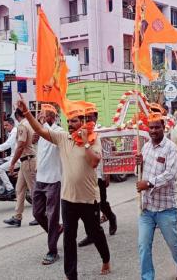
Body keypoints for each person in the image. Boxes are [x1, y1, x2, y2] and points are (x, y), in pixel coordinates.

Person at [15, 99, 111, 279]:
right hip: (68, 199)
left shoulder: (93, 139)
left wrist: (85, 142)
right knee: (69, 240)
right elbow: (40, 130)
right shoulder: (63, 138)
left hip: (88, 199)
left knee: (94, 232)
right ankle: (70, 275)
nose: (70, 124)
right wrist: (27, 112)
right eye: (69, 121)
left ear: (83, 121)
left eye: (74, 120)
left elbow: (94, 161)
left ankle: (106, 258)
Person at [136, 112, 177, 280]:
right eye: (151, 127)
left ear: (163, 128)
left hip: (166, 207)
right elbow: (140, 174)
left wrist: (149, 183)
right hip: (147, 207)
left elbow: (171, 174)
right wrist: (139, 164)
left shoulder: (171, 148)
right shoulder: (145, 147)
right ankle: (147, 277)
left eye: (157, 127)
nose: (153, 130)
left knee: (173, 243)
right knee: (143, 246)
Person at [78, 104, 117, 247]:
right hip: (87, 175)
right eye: (86, 117)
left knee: (101, 203)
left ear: (96, 117)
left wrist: (108, 173)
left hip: (100, 174)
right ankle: (91, 234)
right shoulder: (82, 132)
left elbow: (110, 151)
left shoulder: (102, 132)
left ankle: (111, 217)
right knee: (87, 206)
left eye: (91, 117)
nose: (88, 119)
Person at [32, 104, 63, 265]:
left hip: (53, 180)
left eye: (43, 115)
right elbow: (33, 140)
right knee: (37, 214)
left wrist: (39, 127)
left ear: (51, 117)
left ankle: (52, 251)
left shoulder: (58, 131)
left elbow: (47, 134)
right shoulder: (40, 130)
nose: (40, 117)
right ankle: (56, 230)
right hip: (40, 178)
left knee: (52, 216)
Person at [3, 109, 38, 227]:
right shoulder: (30, 123)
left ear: (17, 116)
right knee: (19, 189)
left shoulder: (22, 125)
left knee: (33, 190)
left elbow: (20, 146)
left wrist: (12, 163)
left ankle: (39, 215)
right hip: (25, 161)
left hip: (28, 160)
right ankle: (17, 217)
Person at [0, 117, 18, 198]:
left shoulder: (15, 132)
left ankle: (10, 189)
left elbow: (7, 145)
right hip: (13, 156)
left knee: (0, 169)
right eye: (4, 125)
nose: (4, 127)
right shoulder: (11, 132)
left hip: (17, 158)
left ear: (12, 124)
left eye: (6, 125)